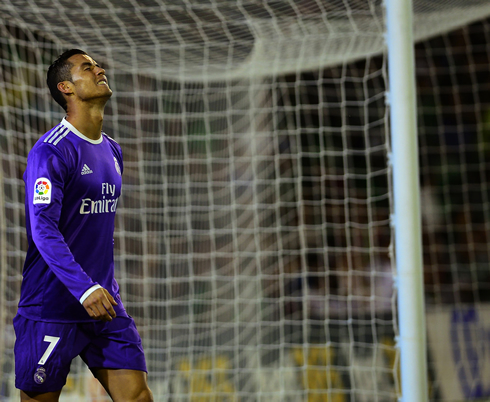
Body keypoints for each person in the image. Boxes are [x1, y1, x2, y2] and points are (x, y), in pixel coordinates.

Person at [14, 49, 153, 402]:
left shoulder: (112, 150)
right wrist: (84, 289)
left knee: (137, 396)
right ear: (66, 87)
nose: (99, 69)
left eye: (97, 64)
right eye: (86, 67)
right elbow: (43, 229)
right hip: (53, 307)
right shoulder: (51, 151)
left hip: (104, 304)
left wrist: (97, 289)